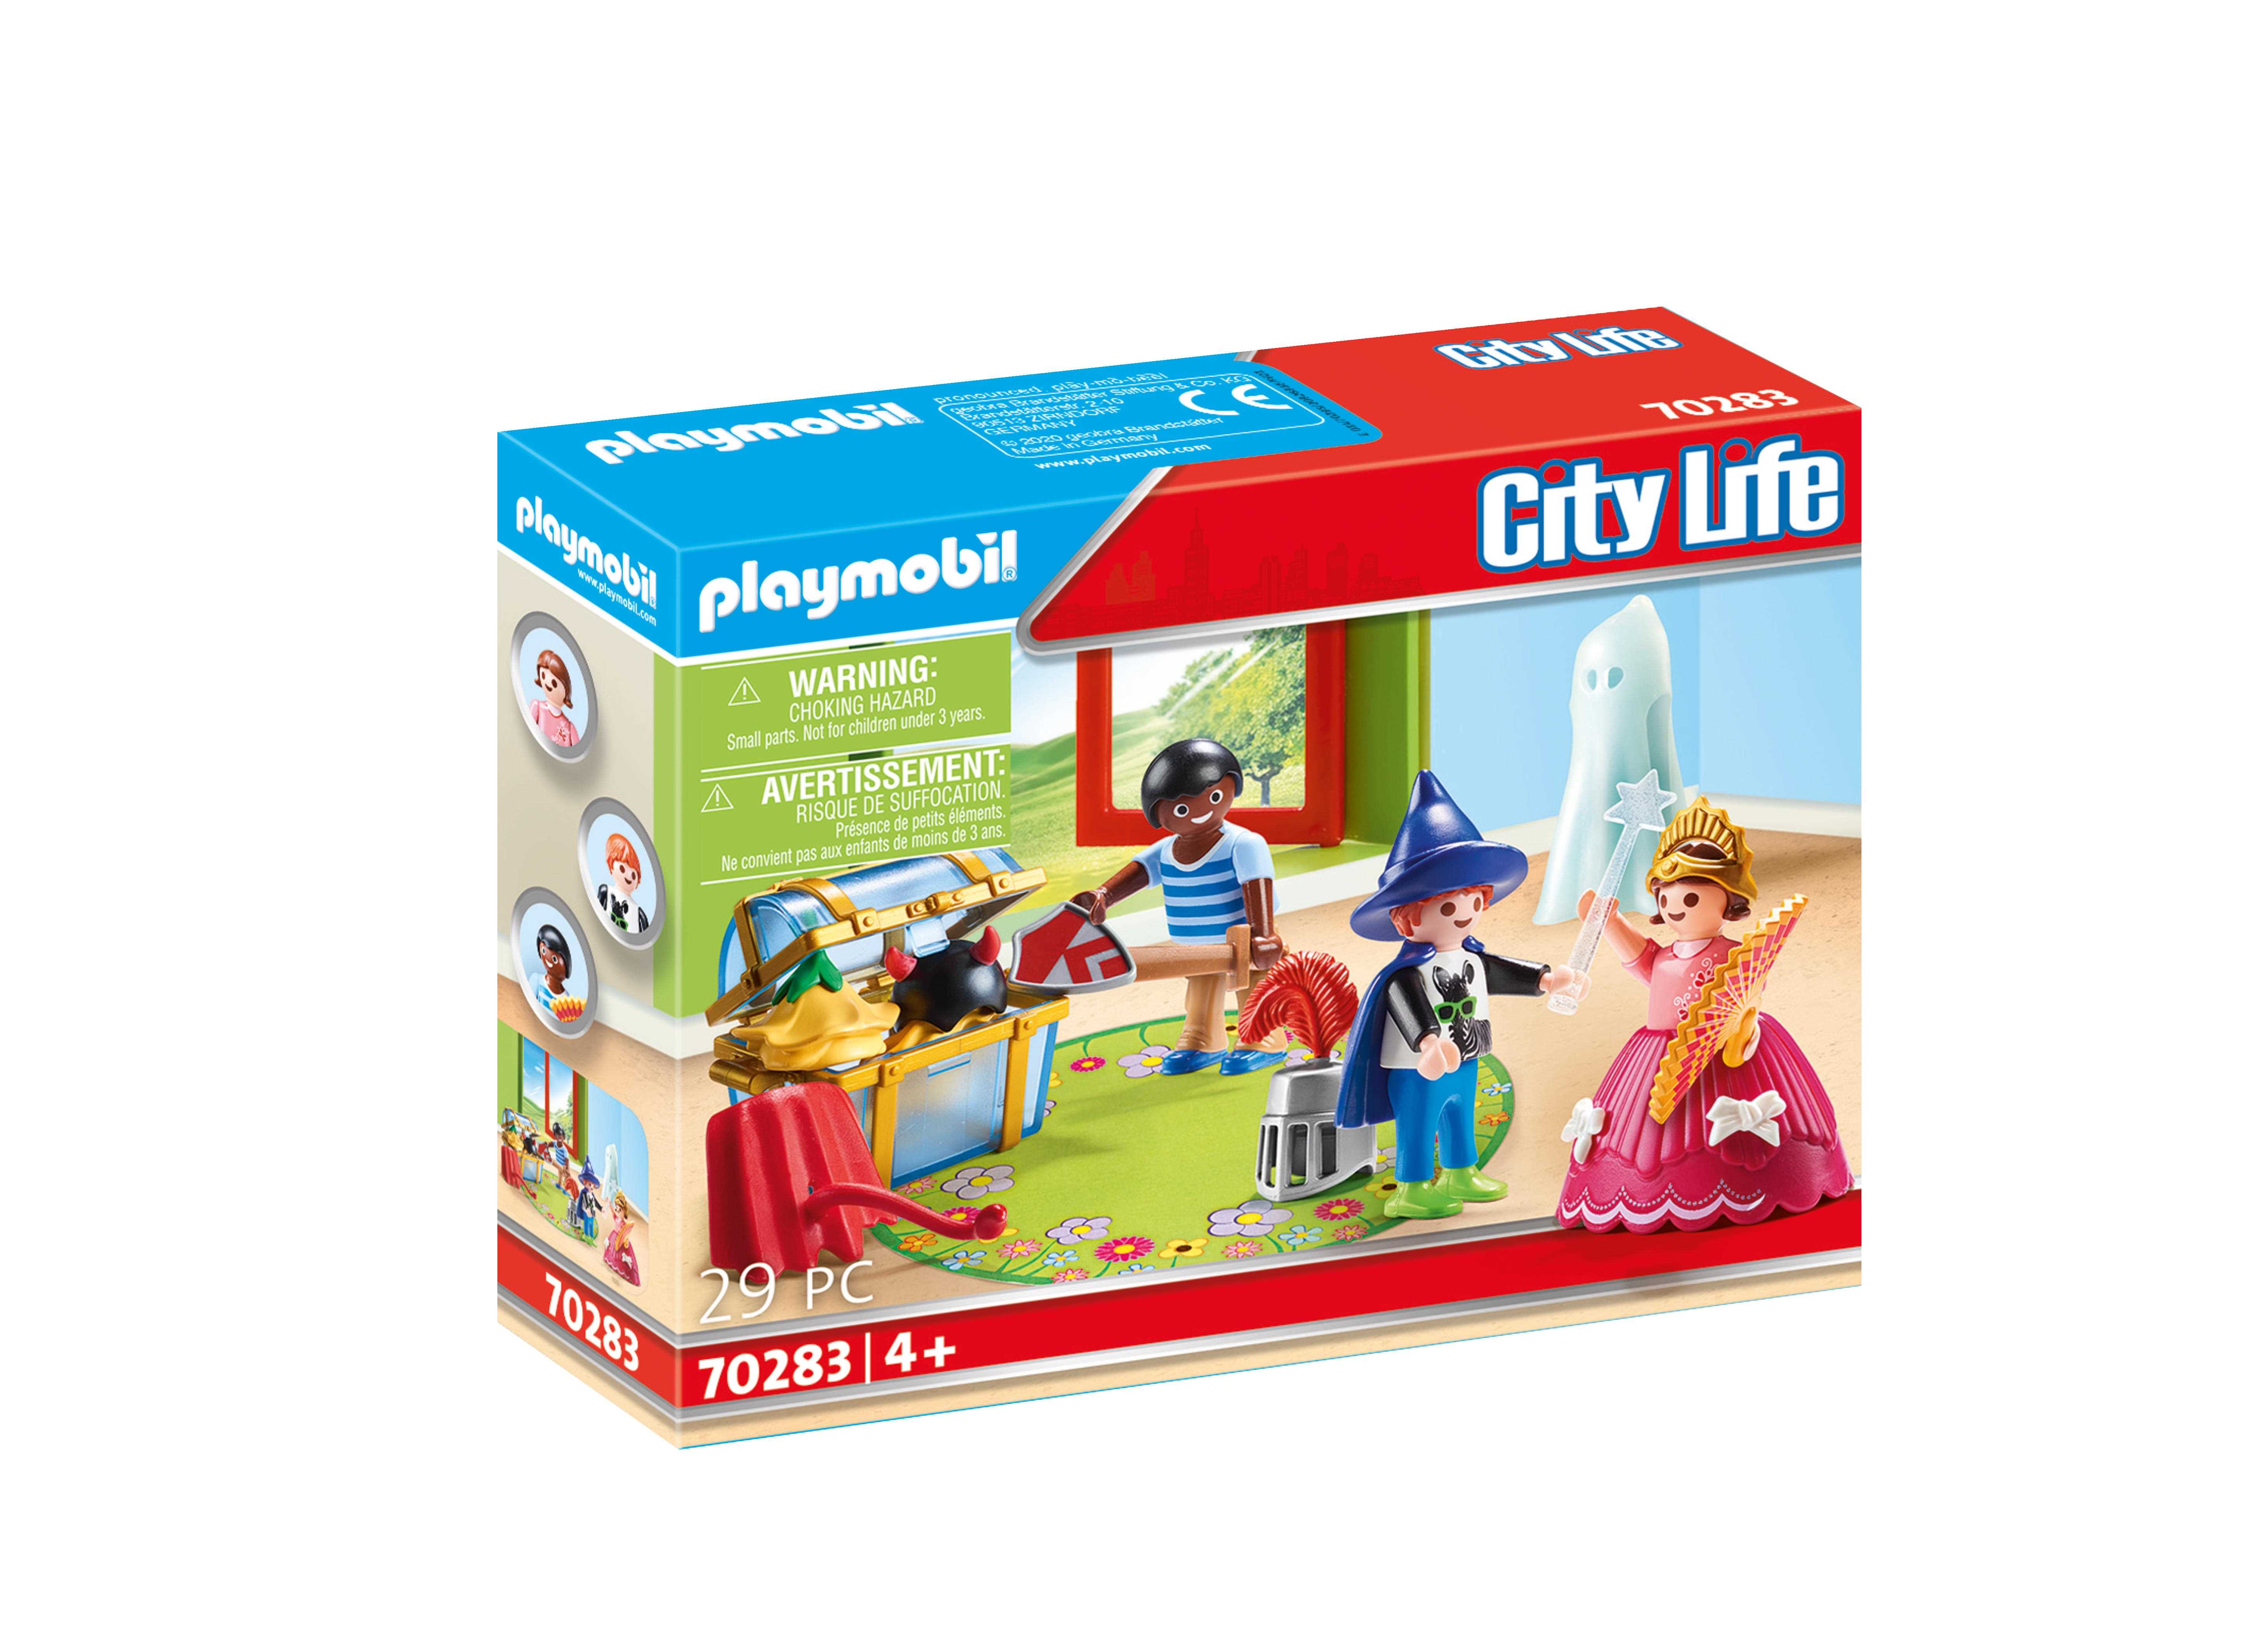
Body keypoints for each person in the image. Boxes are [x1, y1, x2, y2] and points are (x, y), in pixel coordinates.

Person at [1556, 798, 1855, 1232]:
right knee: (1646, 1134)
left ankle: (1755, 1187)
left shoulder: (1733, 956)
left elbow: (1748, 991)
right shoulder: (1664, 958)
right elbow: (1642, 959)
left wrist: (1743, 1029)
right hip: (1658, 1054)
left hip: (1726, 1048)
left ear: (1728, 900)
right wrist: (1610, 923)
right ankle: (1650, 1195)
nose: (1674, 907)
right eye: (1665, 897)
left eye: (1691, 897)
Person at [1335, 771, 1584, 1219]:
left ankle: (1460, 1171)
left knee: (1460, 1114)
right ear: (1407, 919)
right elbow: (1407, 1006)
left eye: (1474, 902)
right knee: (1419, 1124)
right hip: (1419, 1069)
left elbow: (1498, 972)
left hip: (1466, 1057)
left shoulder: (1469, 957)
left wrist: (1545, 979)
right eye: (1449, 907)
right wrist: (1429, 1043)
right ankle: (1411, 1187)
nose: (1466, 915)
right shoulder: (1407, 973)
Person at [1071, 739, 1289, 1076]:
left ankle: (1264, 1037)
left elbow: (1257, 884)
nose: (1200, 811)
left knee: (1254, 985)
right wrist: (1103, 896)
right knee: (1202, 987)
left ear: (1231, 788)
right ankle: (1203, 1039)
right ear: (1159, 814)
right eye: (1181, 809)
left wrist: (1264, 934)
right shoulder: (1165, 851)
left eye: (1213, 797)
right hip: (1196, 943)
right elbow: (1138, 874)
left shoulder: (1243, 844)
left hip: (1246, 937)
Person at [595, 833, 649, 934]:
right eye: (623, 869)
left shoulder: (638, 913)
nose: (629, 876)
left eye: (634, 875)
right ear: (611, 865)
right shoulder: (606, 892)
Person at [529, 649, 580, 747]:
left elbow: (577, 750)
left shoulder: (569, 728)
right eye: (543, 676)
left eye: (554, 683)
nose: (548, 683)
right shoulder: (537, 708)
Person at [603, 1192, 641, 1286]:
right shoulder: (617, 1219)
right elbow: (613, 1214)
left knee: (620, 1256)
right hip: (614, 1236)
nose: (617, 1211)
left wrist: (626, 1241)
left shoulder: (624, 1224)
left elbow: (626, 1233)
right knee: (612, 1251)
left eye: (619, 1210)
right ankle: (611, 1261)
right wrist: (610, 1205)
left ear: (624, 1212)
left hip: (621, 1241)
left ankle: (623, 1270)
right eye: (617, 1209)